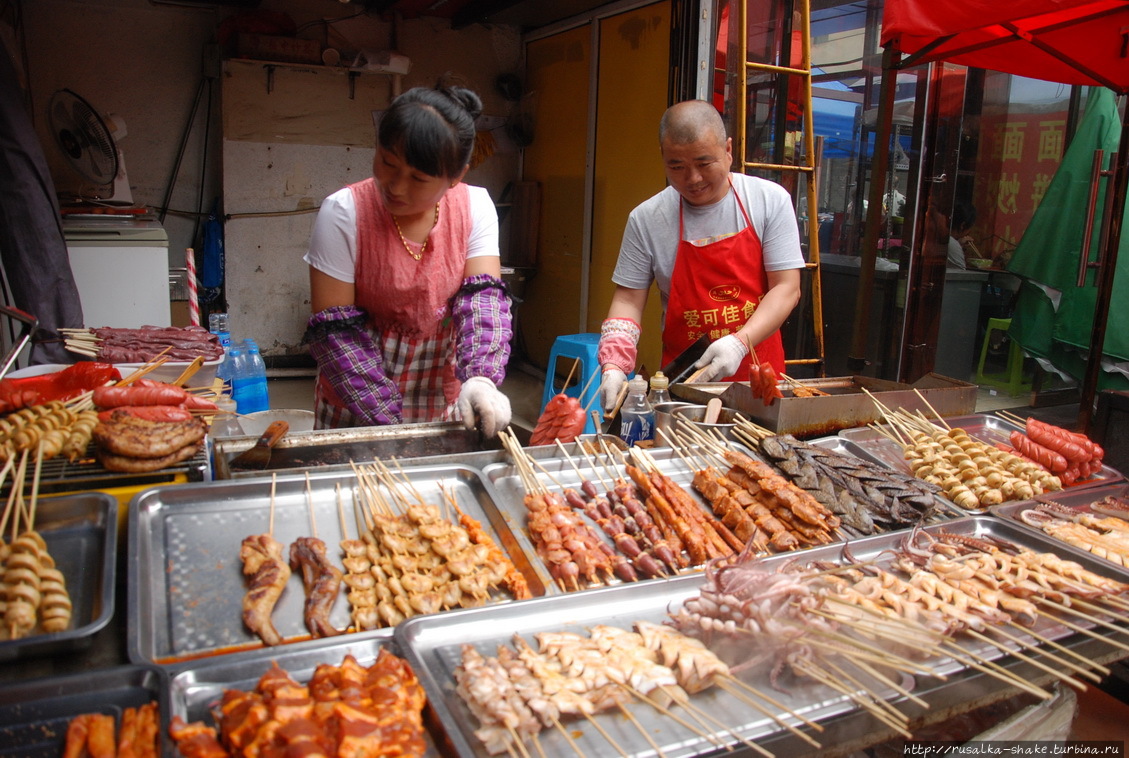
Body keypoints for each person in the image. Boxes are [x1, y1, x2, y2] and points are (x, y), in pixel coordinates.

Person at [303, 85, 513, 436]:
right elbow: (335, 334)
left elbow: (483, 303)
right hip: (356, 393)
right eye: (387, 163)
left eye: (418, 178)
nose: (396, 186)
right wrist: (389, 422)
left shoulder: (475, 207)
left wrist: (480, 378)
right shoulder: (343, 212)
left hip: (439, 392)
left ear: (456, 176)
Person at [597, 100, 804, 409]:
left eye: (704, 163)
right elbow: (628, 299)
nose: (692, 179)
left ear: (728, 150)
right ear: (663, 158)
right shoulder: (647, 219)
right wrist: (614, 363)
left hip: (759, 381)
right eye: (676, 166)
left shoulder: (768, 200)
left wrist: (738, 343)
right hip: (685, 386)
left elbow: (787, 287)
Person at [946, 200, 981, 269]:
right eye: (970, 228)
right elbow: (961, 275)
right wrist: (957, 246)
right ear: (963, 225)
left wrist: (959, 244)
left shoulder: (946, 239)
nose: (969, 232)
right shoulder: (952, 244)